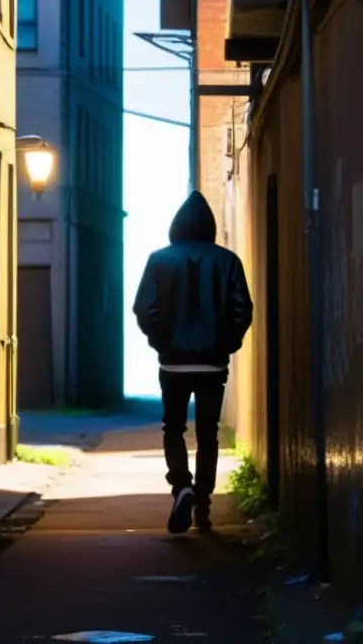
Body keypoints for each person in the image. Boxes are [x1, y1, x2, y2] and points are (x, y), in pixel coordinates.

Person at [132, 190, 253, 534]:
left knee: (173, 428)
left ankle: (181, 487)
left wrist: (161, 341)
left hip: (173, 364)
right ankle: (203, 501)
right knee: (208, 433)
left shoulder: (159, 260)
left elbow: (145, 308)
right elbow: (242, 309)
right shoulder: (228, 261)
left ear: (177, 226)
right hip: (213, 364)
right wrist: (225, 344)